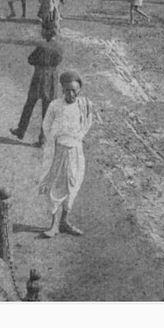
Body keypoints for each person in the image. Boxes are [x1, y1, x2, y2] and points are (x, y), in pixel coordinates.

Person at [38, 71, 95, 238]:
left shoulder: (84, 105)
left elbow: (87, 122)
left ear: (79, 90)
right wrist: (55, 140)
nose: (70, 94)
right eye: (67, 90)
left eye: (74, 90)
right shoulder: (55, 105)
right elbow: (46, 125)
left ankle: (64, 221)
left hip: (75, 152)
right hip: (59, 152)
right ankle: (54, 224)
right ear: (62, 89)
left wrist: (77, 137)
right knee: (55, 186)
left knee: (73, 185)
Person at [10, 22, 63, 146]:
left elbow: (30, 59)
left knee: (29, 104)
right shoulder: (59, 47)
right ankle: (42, 138)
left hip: (39, 77)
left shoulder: (42, 47)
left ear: (47, 32)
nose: (41, 32)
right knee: (47, 109)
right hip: (52, 78)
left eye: (43, 30)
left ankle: (21, 130)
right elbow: (58, 61)